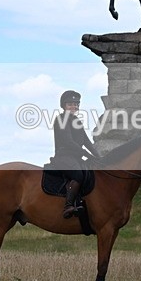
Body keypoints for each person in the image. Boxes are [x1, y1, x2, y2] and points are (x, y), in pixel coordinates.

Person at [51, 90, 100, 219]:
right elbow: (68, 141)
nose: (74, 107)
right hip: (64, 156)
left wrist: (98, 157)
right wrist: (85, 153)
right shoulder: (61, 119)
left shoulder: (76, 120)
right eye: (70, 104)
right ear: (64, 106)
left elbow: (86, 141)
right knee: (78, 174)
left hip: (76, 156)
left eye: (76, 104)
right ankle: (68, 206)